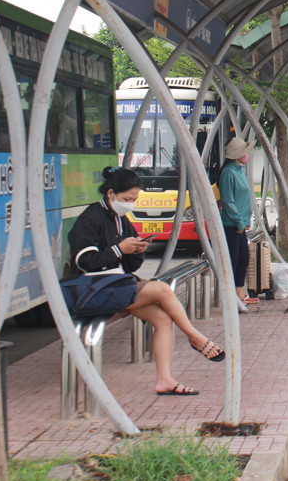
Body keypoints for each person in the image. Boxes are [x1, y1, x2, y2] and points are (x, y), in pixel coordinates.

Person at [67, 166, 224, 396]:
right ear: (111, 194)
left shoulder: (121, 219)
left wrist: (137, 250)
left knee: (162, 319)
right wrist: (119, 249)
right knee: (162, 290)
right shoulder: (91, 219)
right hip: (97, 287)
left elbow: (130, 265)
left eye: (134, 199)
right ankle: (194, 336)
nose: (130, 204)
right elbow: (84, 261)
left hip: (119, 283)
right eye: (127, 199)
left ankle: (165, 380)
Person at [219, 136, 256, 305]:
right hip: (232, 225)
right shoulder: (228, 173)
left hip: (240, 224)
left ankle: (238, 293)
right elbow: (228, 201)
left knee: (243, 258)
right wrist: (239, 222)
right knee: (233, 260)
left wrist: (245, 220)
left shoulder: (239, 171)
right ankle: (229, 297)